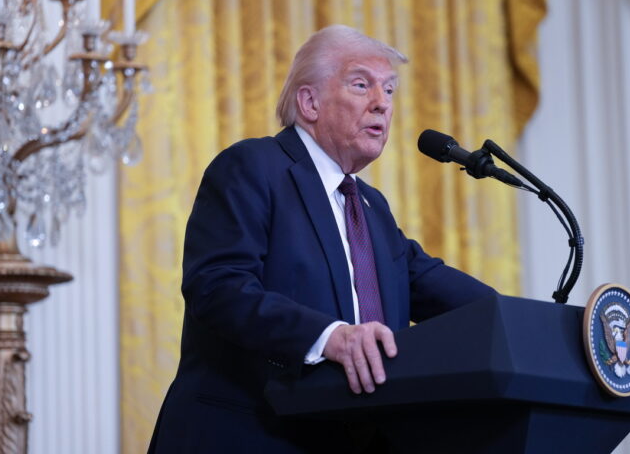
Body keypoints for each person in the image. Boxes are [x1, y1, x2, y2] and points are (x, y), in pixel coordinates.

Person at [147, 25, 495, 453]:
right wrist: (329, 336)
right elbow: (218, 287)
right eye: (361, 84)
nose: (382, 103)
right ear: (309, 102)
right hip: (248, 434)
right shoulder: (253, 167)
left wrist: (536, 329)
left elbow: (449, 292)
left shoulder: (371, 208)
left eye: (389, 90)